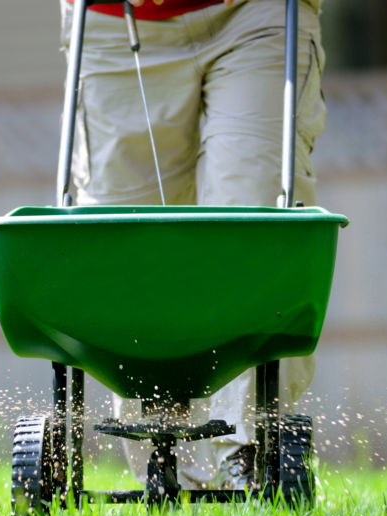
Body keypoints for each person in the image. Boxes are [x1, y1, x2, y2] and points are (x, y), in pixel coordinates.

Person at [60, 0, 325, 489]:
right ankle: (165, 463)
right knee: (130, 247)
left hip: (255, 15)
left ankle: (249, 455)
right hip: (116, 22)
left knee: (254, 214)